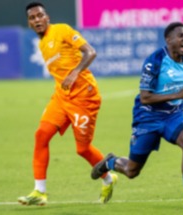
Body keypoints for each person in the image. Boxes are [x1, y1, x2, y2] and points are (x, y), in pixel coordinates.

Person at [91, 22, 183, 213]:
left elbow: (177, 92)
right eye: (181, 36)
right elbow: (145, 97)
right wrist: (178, 95)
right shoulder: (155, 61)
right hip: (148, 117)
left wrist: (178, 102)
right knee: (132, 171)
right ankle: (110, 162)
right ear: (168, 40)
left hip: (173, 115)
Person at [18, 2, 117, 206]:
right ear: (29, 23)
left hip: (84, 97)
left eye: (39, 16)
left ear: (47, 17)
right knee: (41, 135)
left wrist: (75, 73)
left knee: (82, 149)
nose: (36, 20)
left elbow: (90, 52)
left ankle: (108, 177)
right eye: (32, 18)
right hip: (62, 97)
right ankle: (39, 191)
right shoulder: (42, 43)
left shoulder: (62, 30)